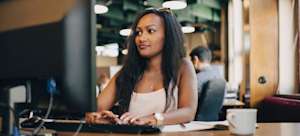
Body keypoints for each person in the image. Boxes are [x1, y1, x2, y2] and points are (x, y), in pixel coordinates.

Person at [86, 8, 198, 126]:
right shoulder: (127, 72)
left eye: (150, 31)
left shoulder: (183, 67)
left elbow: (188, 112)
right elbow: (96, 108)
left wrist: (152, 119)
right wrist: (100, 117)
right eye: (138, 32)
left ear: (167, 35)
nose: (141, 38)